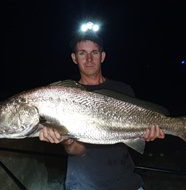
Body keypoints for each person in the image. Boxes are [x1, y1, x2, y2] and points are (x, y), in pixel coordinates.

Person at [39, 33, 165, 190]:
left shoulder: (123, 90)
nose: (89, 59)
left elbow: (134, 134)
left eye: (95, 52)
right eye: (82, 53)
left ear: (103, 56)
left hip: (126, 181)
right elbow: (78, 151)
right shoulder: (64, 96)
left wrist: (146, 134)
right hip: (84, 184)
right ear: (74, 58)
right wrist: (66, 140)